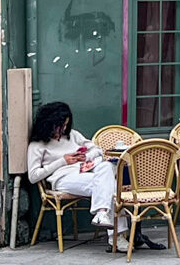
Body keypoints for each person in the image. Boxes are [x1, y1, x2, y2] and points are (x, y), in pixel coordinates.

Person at [26, 101, 151, 252]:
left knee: (106, 168)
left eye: (66, 125)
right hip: (63, 178)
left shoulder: (72, 135)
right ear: (48, 124)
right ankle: (116, 236)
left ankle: (102, 214)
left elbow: (97, 150)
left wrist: (85, 157)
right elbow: (33, 176)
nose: (63, 129)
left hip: (86, 172)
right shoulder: (37, 145)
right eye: (60, 125)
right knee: (110, 186)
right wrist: (63, 161)